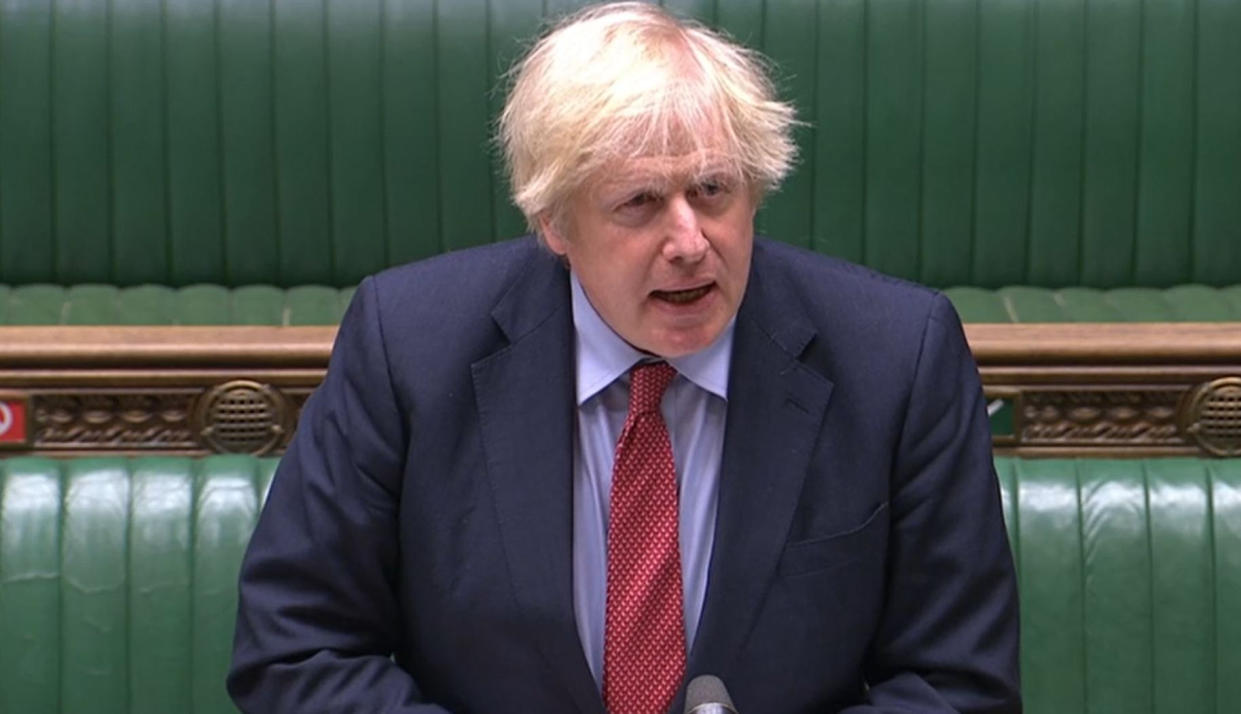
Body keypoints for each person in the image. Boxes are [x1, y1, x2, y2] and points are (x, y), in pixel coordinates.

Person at [227, 3, 1020, 712]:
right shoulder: (408, 346)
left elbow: (957, 684)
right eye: (638, 203)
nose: (688, 243)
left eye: (712, 190)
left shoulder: (896, 356)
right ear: (554, 223)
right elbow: (295, 652)